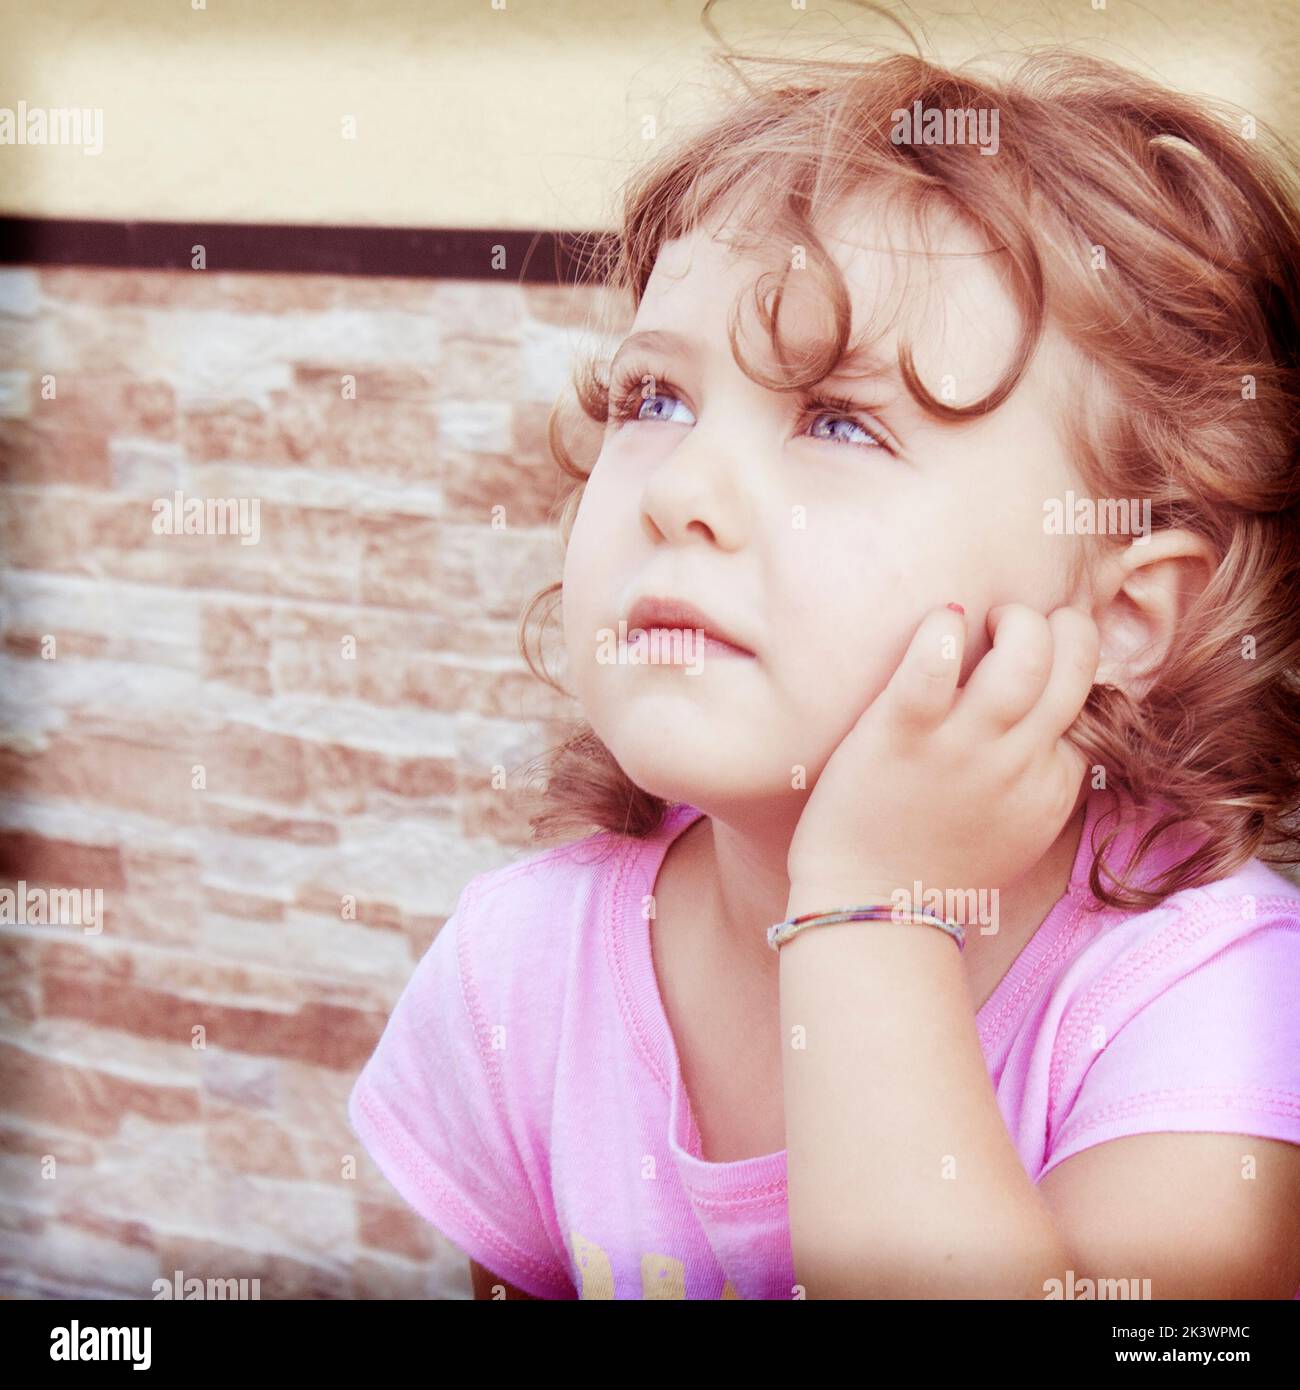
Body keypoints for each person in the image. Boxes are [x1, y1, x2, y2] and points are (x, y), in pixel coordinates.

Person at [348, 19, 1300, 1299]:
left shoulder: (1213, 998)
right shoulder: (521, 964)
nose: (681, 489)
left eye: (840, 421)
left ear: (1125, 615)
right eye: (656, 400)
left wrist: (873, 912)